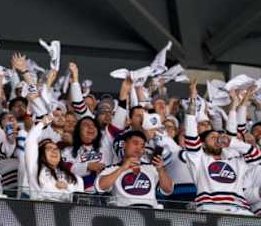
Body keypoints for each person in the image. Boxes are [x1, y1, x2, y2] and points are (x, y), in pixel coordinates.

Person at [182, 79, 261, 215]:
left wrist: (231, 142)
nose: (217, 139)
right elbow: (190, 133)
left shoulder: (235, 160)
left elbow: (255, 156)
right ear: (203, 144)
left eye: (218, 136)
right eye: (212, 138)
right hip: (210, 210)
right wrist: (193, 101)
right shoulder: (199, 159)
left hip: (239, 211)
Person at [95, 130, 174, 208]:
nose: (139, 148)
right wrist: (122, 168)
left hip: (150, 214)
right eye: (135, 143)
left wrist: (161, 170)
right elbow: (100, 186)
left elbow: (168, 190)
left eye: (142, 146)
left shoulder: (151, 168)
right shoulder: (112, 169)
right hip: (124, 214)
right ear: (124, 145)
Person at [25, 115, 84, 201]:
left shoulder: (72, 176)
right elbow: (30, 142)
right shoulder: (34, 168)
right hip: (41, 210)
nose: (54, 151)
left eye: (56, 149)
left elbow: (80, 193)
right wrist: (42, 124)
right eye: (49, 149)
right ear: (41, 154)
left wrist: (67, 186)